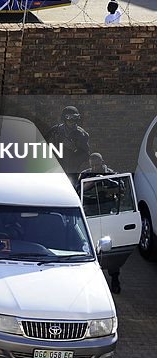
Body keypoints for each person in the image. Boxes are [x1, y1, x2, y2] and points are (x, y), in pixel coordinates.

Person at [78, 153, 125, 294]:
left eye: (97, 165)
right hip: (90, 214)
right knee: (88, 247)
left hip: (107, 214)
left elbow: (121, 188)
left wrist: (105, 180)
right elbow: (77, 190)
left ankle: (115, 279)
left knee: (109, 248)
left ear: (102, 162)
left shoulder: (111, 174)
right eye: (92, 165)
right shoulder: (85, 175)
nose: (94, 167)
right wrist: (92, 182)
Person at [46, 106, 92, 176]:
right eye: (69, 118)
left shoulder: (82, 134)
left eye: (75, 118)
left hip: (72, 170)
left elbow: (86, 155)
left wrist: (75, 149)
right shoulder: (55, 131)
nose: (72, 121)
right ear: (64, 119)